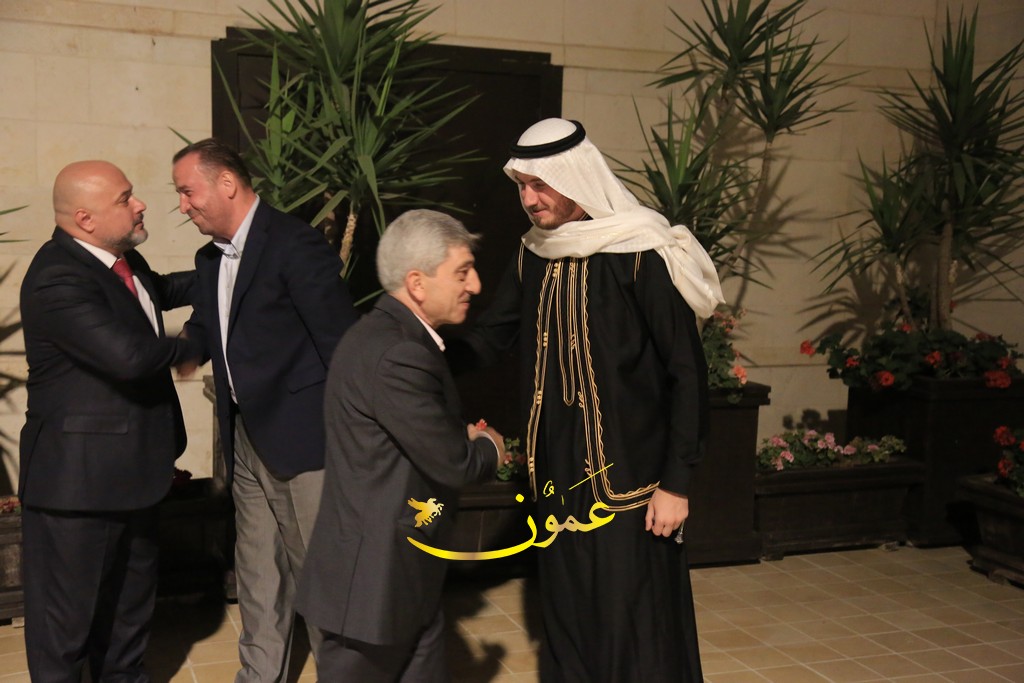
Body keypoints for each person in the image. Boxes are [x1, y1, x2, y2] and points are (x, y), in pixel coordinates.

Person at [449, 118, 725, 682]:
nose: (529, 200)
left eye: (540, 185)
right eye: (522, 186)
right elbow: (491, 339)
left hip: (632, 483)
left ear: (575, 177)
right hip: (558, 479)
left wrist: (676, 484)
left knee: (634, 625)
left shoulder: (639, 251)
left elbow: (686, 372)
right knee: (569, 619)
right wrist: (417, 347)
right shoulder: (534, 252)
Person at [173, 138, 358, 681]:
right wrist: (178, 351)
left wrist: (355, 438)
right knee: (256, 571)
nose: (182, 205)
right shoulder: (209, 258)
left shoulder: (295, 244)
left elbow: (340, 343)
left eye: (188, 191)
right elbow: (207, 324)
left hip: (304, 442)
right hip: (245, 437)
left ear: (227, 183)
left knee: (319, 576)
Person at [296, 209, 504, 682]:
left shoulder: (390, 335)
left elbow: (406, 440)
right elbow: (455, 464)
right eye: (462, 272)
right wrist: (490, 446)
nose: (474, 285)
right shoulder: (398, 353)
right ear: (417, 282)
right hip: (375, 583)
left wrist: (456, 436)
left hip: (402, 568)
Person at [19, 160, 199, 682]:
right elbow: (128, 354)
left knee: (128, 615)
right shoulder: (56, 276)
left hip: (135, 474)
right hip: (77, 487)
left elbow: (158, 291)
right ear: (85, 219)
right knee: (66, 628)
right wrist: (197, 344)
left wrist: (231, 269)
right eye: (125, 198)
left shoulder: (123, 261)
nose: (140, 204)